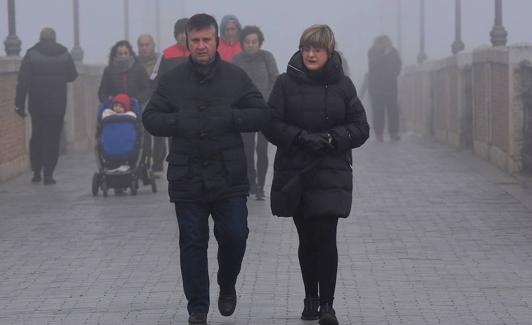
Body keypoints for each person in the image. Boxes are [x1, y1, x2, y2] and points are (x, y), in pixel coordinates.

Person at [142, 13, 270, 325]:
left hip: (229, 173)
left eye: (206, 40)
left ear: (216, 41)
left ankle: (227, 284)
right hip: (188, 175)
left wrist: (231, 118)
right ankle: (197, 307)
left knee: (235, 235)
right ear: (187, 41)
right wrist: (178, 123)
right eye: (195, 40)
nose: (201, 46)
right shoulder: (172, 80)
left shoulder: (235, 76)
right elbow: (151, 118)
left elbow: (260, 112)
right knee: (192, 241)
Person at [264, 25, 369, 325]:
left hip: (330, 172)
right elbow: (270, 123)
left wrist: (336, 138)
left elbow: (361, 127)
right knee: (306, 239)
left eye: (318, 49)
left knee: (326, 237)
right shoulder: (284, 83)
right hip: (295, 172)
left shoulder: (343, 85)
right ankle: (310, 298)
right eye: (307, 48)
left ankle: (327, 306)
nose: (311, 54)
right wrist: (298, 137)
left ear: (329, 52)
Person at [14, 27, 78, 185]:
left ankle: (36, 171)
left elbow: (22, 82)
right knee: (52, 138)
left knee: (37, 135)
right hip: (57, 104)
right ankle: (49, 174)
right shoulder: (64, 53)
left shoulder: (31, 54)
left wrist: (19, 105)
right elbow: (72, 76)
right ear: (54, 38)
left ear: (40, 38)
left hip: (37, 104)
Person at [233, 25, 279, 200]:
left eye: (254, 42)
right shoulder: (236, 60)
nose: (251, 45)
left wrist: (270, 104)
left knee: (262, 148)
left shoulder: (267, 58)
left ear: (259, 42)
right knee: (246, 149)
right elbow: (232, 84)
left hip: (264, 111)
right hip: (244, 112)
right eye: (247, 42)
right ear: (242, 43)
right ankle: (250, 182)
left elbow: (275, 80)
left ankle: (260, 185)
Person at [149, 18, 190, 172]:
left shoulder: (200, 52)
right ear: (175, 35)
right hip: (174, 106)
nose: (183, 36)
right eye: (180, 33)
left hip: (196, 105)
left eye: (186, 33)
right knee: (174, 138)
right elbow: (154, 78)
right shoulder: (166, 54)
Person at [367, 35, 402, 142]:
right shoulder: (372, 51)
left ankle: (394, 133)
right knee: (378, 111)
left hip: (390, 85)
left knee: (393, 110)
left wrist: (395, 73)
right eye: (383, 42)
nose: (386, 44)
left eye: (387, 41)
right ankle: (379, 134)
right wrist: (385, 54)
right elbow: (373, 64)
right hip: (376, 86)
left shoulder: (393, 51)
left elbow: (398, 64)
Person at [98, 40, 150, 105]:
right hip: (115, 107)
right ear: (115, 54)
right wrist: (109, 99)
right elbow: (102, 93)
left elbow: (147, 89)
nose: (123, 56)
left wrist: (136, 100)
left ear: (130, 54)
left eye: (125, 53)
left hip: (135, 106)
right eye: (120, 54)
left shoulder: (139, 69)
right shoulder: (109, 70)